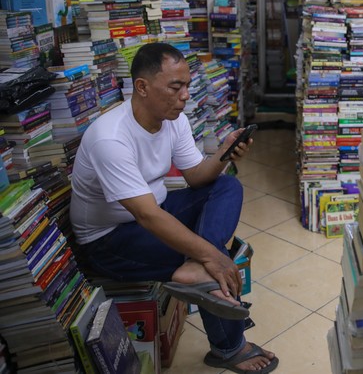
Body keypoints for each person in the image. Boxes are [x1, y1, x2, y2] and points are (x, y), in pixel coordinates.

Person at [70, 43, 278, 374]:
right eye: (175, 86)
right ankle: (230, 347)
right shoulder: (110, 138)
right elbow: (146, 215)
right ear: (142, 87)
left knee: (226, 186)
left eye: (187, 85)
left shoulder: (173, 119)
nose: (184, 96)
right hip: (110, 241)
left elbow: (196, 177)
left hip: (156, 211)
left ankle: (195, 267)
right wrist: (211, 255)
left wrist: (223, 154)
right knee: (212, 258)